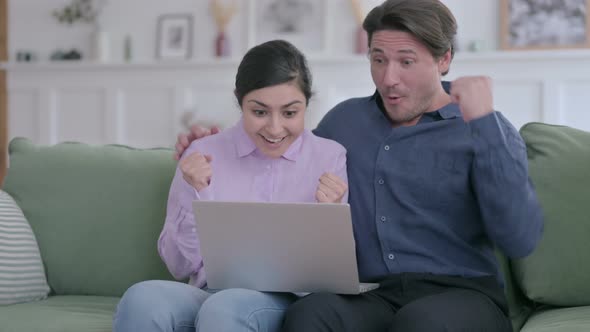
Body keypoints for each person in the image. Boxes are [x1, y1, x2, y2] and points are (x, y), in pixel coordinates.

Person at [174, 1, 544, 331]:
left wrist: (485, 123)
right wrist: (210, 145)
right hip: (372, 293)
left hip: (463, 294)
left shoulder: (483, 128)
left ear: (444, 59)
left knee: (421, 322)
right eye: (378, 59)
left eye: (406, 61)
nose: (388, 78)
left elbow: (519, 237)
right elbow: (284, 151)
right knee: (311, 313)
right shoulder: (346, 121)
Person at [112, 39, 349, 332]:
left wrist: (330, 215)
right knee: (142, 298)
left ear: (306, 105)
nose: (275, 128)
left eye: (289, 113)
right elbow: (179, 266)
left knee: (224, 308)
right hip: (207, 291)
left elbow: (330, 275)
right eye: (259, 112)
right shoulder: (201, 153)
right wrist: (194, 193)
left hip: (284, 300)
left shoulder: (330, 156)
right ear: (240, 102)